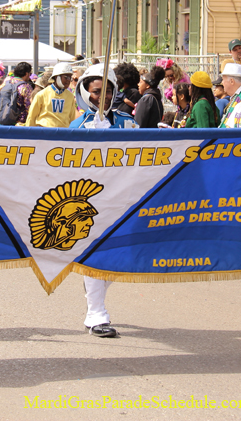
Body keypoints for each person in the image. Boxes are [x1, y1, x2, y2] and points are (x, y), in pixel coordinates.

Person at [71, 63, 138, 337]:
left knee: (122, 258)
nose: (103, 97)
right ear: (85, 92)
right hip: (93, 202)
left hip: (124, 199)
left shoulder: (128, 122)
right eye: (97, 91)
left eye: (109, 91)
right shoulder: (75, 127)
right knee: (96, 255)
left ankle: (93, 286)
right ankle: (96, 314)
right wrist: (89, 138)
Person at [26, 62, 77, 128]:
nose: (68, 80)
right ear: (56, 77)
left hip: (63, 134)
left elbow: (72, 119)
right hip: (44, 133)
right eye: (66, 77)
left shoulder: (70, 96)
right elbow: (31, 117)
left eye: (70, 78)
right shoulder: (42, 94)